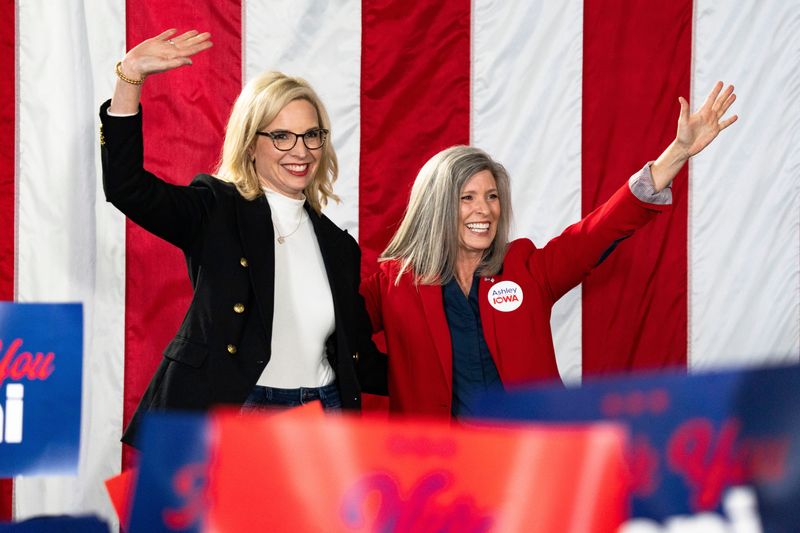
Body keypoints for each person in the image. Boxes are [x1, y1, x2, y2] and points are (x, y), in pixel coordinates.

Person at [361, 83, 737, 418]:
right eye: (467, 198)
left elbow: (594, 234)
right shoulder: (393, 283)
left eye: (492, 197)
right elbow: (334, 342)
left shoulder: (525, 266)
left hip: (533, 462)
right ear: (438, 205)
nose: (485, 209)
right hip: (442, 469)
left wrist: (676, 154)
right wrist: (400, 377)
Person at [100, 29, 385, 446]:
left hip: (322, 417)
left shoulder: (338, 247)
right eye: (282, 136)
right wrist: (130, 77)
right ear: (251, 144)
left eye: (311, 135)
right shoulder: (215, 208)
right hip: (236, 413)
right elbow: (126, 187)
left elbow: (358, 355)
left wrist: (458, 368)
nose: (300, 150)